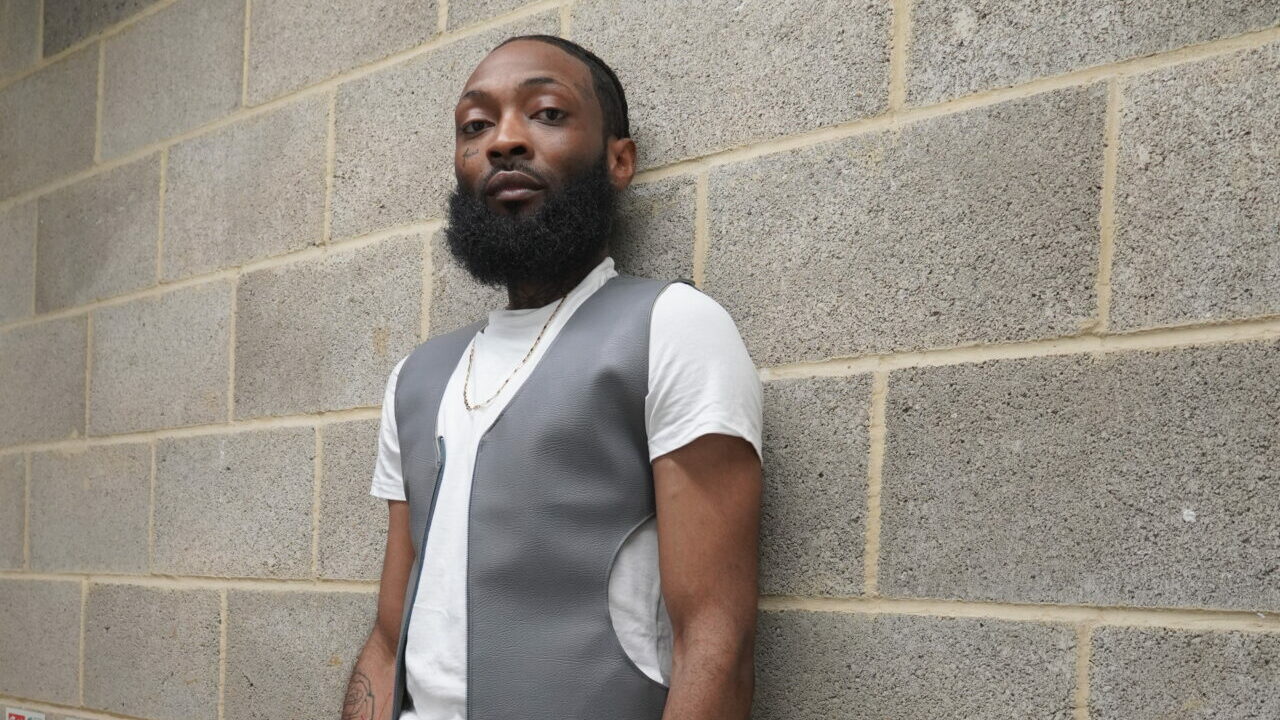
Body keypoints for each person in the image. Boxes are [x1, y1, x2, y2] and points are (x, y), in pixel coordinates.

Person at [344, 34, 763, 720]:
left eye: (546, 113)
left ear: (618, 159)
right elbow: (389, 643)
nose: (504, 140)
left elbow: (716, 642)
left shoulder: (672, 327)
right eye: (475, 126)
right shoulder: (416, 379)